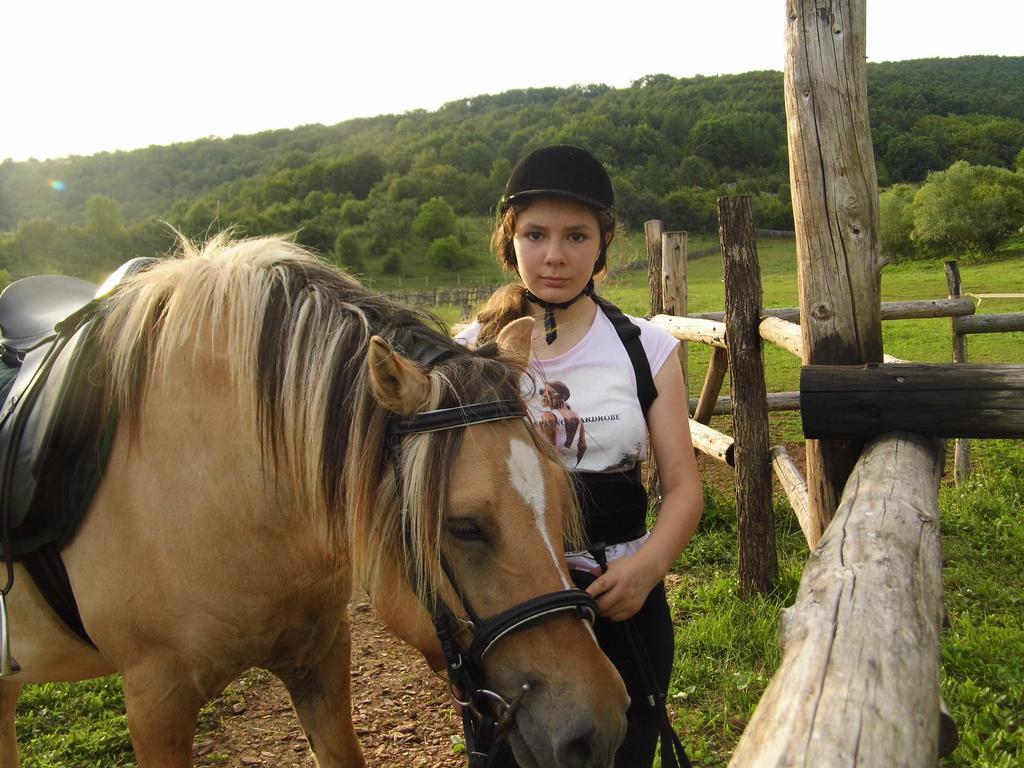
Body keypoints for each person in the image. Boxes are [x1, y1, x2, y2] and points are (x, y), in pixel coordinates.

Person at [456, 145, 703, 767]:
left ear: (604, 243)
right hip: (515, 616)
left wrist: (647, 570)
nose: (555, 255)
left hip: (623, 603)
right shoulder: (465, 354)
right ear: (509, 240)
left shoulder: (646, 349)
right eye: (535, 235)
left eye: (576, 236)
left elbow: (683, 487)